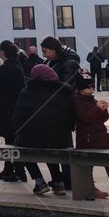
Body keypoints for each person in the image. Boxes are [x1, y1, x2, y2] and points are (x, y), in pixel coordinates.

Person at [12, 64, 76, 195]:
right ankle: (58, 183)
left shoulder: (28, 92)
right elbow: (71, 117)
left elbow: (17, 118)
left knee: (20, 148)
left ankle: (39, 182)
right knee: (49, 144)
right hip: (60, 138)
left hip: (32, 137)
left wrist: (20, 130)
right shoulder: (64, 91)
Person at [73, 74, 109, 201]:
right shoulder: (76, 101)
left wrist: (104, 109)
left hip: (102, 138)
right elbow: (86, 118)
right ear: (81, 89)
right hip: (87, 140)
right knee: (88, 166)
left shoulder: (93, 100)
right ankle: (91, 188)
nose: (92, 89)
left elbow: (103, 119)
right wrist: (98, 109)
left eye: (92, 87)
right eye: (89, 87)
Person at [0, 41, 26, 181]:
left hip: (6, 110)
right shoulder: (17, 66)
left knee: (11, 140)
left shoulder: (6, 68)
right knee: (11, 139)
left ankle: (17, 171)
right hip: (14, 108)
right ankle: (10, 170)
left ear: (3, 52)